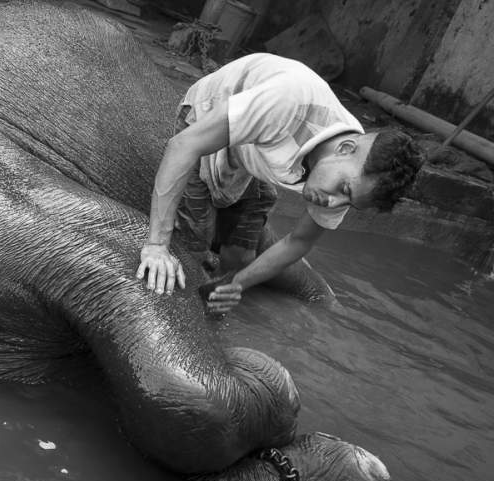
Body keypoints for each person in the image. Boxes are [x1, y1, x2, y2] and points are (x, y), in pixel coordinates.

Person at [135, 53, 423, 314]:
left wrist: (237, 285)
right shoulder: (287, 102)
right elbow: (183, 145)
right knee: (191, 252)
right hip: (208, 117)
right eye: (343, 191)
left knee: (241, 255)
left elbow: (298, 241)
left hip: (256, 151)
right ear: (345, 148)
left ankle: (214, 296)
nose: (334, 204)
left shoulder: (353, 177)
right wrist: (156, 246)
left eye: (349, 202)